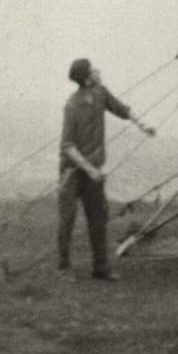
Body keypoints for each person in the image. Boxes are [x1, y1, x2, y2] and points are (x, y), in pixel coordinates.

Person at [58, 58, 155, 280]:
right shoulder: (72, 106)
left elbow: (122, 110)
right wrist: (90, 170)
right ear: (87, 79)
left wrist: (143, 126)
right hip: (71, 171)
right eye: (93, 70)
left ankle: (100, 267)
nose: (98, 71)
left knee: (98, 217)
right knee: (67, 218)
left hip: (93, 170)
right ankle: (63, 267)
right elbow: (67, 146)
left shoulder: (101, 93)